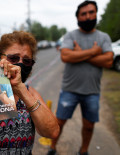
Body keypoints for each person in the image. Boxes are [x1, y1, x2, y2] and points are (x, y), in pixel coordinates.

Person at [47, 1, 114, 155]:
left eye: (91, 12)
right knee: (60, 122)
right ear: (77, 17)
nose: (88, 16)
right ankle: (52, 148)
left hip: (92, 91)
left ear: (96, 13)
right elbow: (65, 56)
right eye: (83, 14)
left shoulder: (103, 37)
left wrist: (80, 53)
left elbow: (109, 61)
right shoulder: (71, 35)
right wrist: (95, 51)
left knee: (89, 125)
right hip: (69, 89)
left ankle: (83, 151)